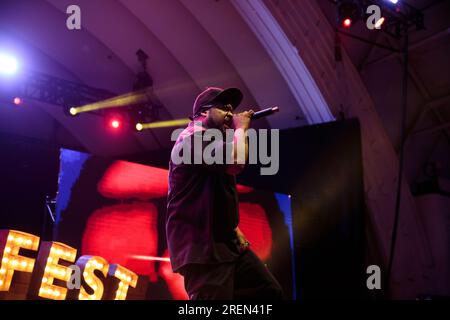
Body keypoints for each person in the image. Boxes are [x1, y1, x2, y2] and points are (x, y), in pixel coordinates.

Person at [165, 86, 284, 300]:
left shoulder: (214, 142)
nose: (231, 114)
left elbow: (212, 193)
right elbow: (236, 162)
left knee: (268, 293)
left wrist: (233, 227)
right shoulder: (192, 138)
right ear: (203, 112)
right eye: (223, 108)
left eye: (232, 109)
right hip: (202, 249)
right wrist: (241, 129)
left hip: (225, 244)